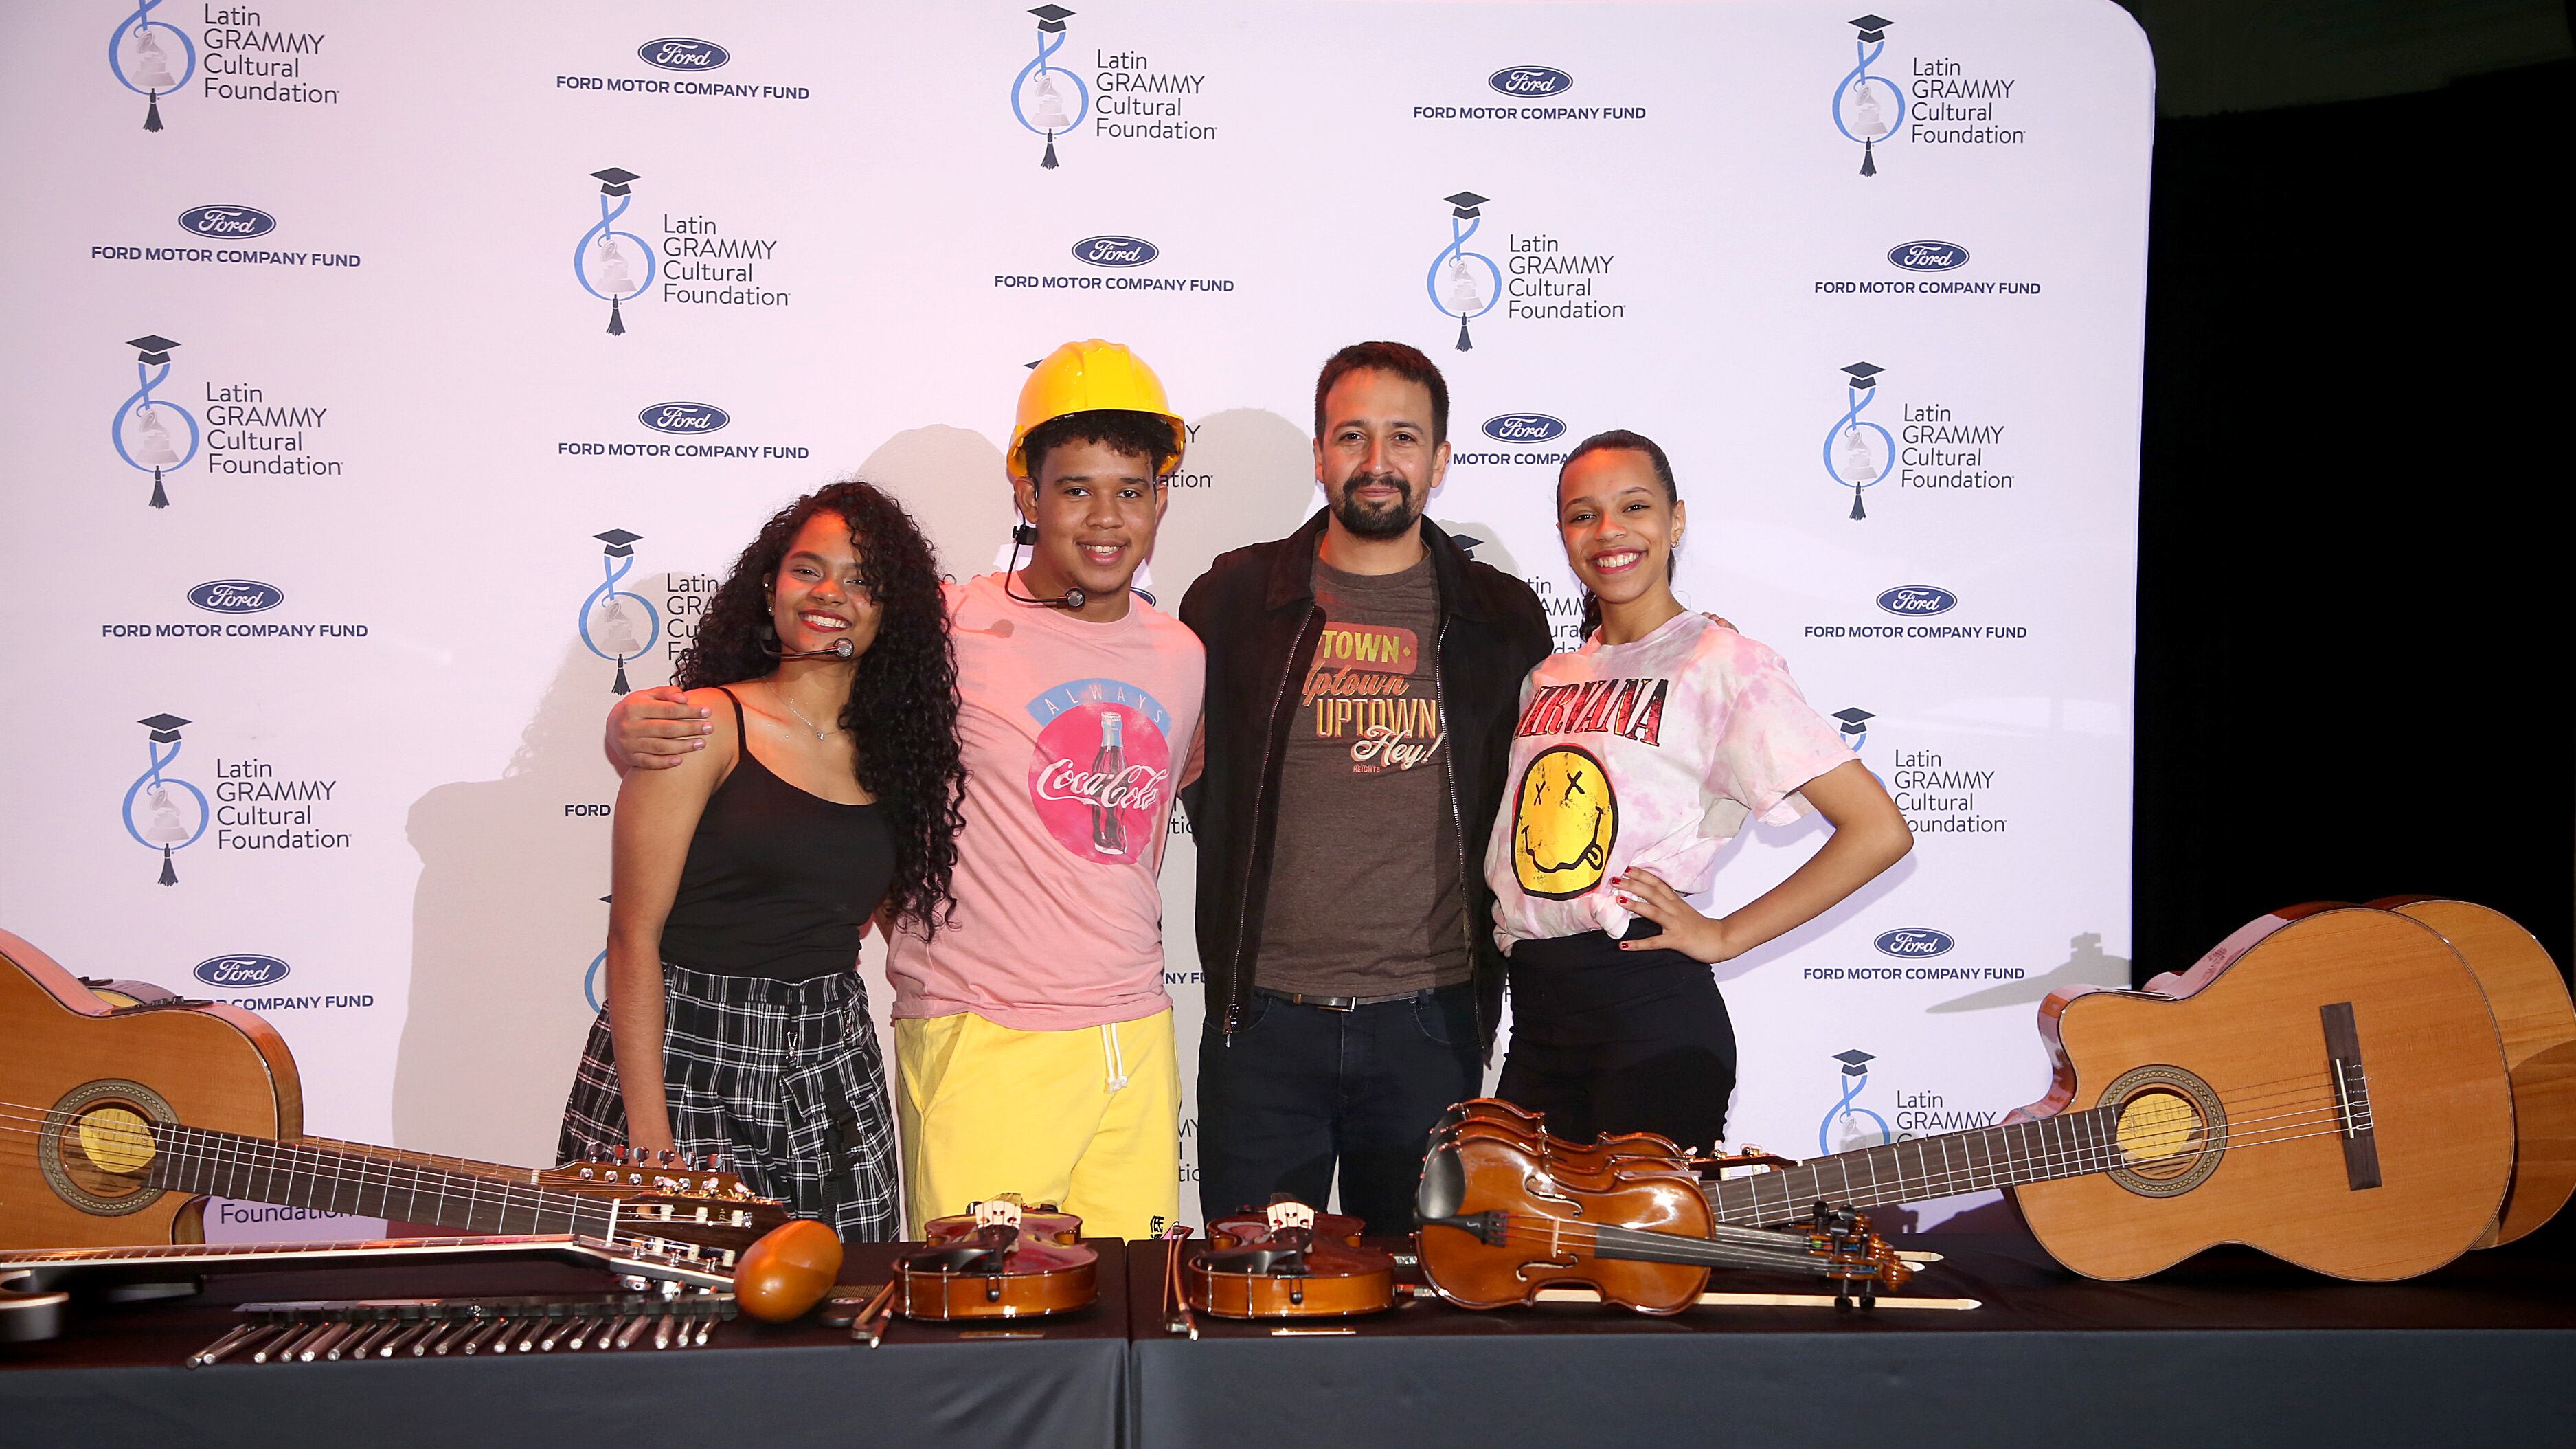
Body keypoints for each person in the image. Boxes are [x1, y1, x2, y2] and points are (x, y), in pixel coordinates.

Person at [606, 341, 1205, 1240]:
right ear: (1027, 495)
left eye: (1130, 490)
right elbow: (801, 681)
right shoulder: (945, 625)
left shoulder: (1181, 655)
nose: (1105, 517)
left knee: (1132, 1304)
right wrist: (631, 725)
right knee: (978, 1313)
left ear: (1161, 498)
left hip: (1137, 1033)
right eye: (1076, 489)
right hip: (981, 1038)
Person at [1179, 341, 1551, 1234]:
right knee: (1258, 1292)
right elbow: (1194, 778)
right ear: (1320, 455)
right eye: (1352, 436)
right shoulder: (1232, 600)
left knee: (1425, 1295)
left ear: (1440, 459)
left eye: (1403, 438)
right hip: (1263, 1027)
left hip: (1432, 1028)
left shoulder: (1501, 617)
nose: (1377, 461)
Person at [559, 480, 966, 1242]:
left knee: (851, 1296)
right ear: (771, 586)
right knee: (681, 1299)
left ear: (889, 612)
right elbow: (634, 936)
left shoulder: (899, 758)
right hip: (688, 1056)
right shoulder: (702, 726)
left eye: (861, 580)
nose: (830, 594)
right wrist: (649, 1140)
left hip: (835, 1067)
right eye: (809, 569)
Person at [1487, 431, 1914, 1149]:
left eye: (1635, 506)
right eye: (1584, 514)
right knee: (1520, 1225)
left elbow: (1878, 830)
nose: (1609, 531)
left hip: (1649, 1016)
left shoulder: (1725, 664)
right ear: (1563, 535)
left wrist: (1725, 935)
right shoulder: (1547, 678)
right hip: (1536, 1019)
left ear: (1676, 520)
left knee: (1642, 1230)